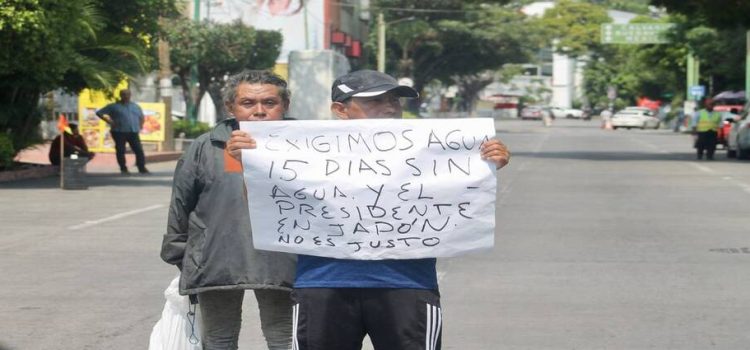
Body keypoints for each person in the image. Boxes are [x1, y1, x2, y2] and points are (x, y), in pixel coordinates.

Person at [227, 69, 511, 350]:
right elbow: (265, 208)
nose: (389, 108)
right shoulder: (302, 151)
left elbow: (458, 195)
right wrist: (250, 166)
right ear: (340, 109)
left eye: (394, 101)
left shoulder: (430, 147)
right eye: (374, 101)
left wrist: (485, 165)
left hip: (407, 284)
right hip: (323, 284)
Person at [161, 70, 297, 350]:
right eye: (248, 103)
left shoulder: (305, 146)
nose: (259, 111)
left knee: (283, 338)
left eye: (270, 103)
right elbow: (181, 204)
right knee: (219, 340)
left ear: (285, 105)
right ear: (230, 107)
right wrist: (181, 255)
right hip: (216, 259)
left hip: (283, 260)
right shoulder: (206, 147)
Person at [96, 89, 149, 174]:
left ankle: (141, 167)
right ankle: (123, 168)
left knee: (138, 150)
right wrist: (109, 121)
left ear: (130, 95)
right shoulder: (114, 106)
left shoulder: (135, 106)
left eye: (128, 94)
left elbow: (141, 116)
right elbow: (99, 113)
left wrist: (140, 125)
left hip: (133, 131)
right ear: (120, 95)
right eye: (124, 94)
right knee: (120, 150)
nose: (126, 96)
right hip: (119, 131)